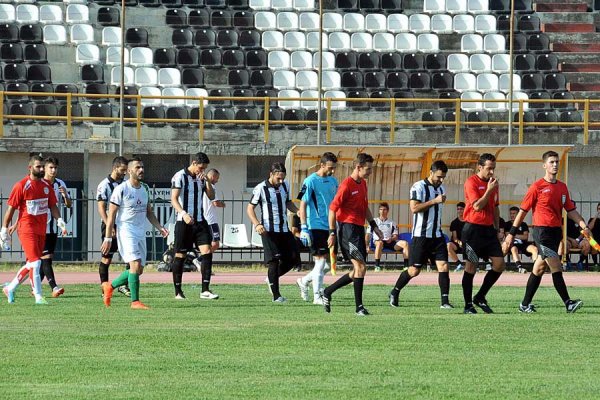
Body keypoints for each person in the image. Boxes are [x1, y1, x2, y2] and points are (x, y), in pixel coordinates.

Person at [503, 150, 586, 313]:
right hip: (542, 233)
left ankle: (524, 305)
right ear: (544, 166)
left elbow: (571, 210)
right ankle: (568, 303)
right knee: (556, 266)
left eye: (556, 162)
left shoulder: (562, 187)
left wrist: (584, 226)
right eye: (551, 162)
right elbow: (522, 211)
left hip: (555, 232)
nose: (555, 165)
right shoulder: (537, 187)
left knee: (539, 268)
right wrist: (511, 233)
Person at [101, 157, 168, 309]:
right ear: (129, 171)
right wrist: (108, 238)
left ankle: (110, 286)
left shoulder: (144, 188)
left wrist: (160, 227)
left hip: (140, 232)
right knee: (135, 264)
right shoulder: (121, 189)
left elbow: (149, 212)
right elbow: (111, 216)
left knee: (139, 270)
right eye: (138, 167)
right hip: (126, 231)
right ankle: (135, 302)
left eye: (142, 167)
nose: (141, 170)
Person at [323, 153, 383, 316]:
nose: (370, 172)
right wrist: (332, 233)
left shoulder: (363, 184)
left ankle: (328, 291)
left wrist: (374, 226)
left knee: (359, 269)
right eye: (368, 169)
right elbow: (332, 210)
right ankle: (359, 307)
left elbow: (365, 207)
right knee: (360, 267)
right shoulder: (346, 185)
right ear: (358, 167)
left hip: (358, 229)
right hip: (347, 230)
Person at [1, 155, 66, 304]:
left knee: (32, 263)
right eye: (38, 166)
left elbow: (52, 205)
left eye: (43, 166)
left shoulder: (46, 185)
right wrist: (4, 229)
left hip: (41, 229)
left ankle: (10, 288)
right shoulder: (21, 186)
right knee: (36, 263)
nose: (42, 169)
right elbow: (11, 209)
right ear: (30, 168)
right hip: (26, 229)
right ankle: (38, 296)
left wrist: (59, 220)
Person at [389, 160, 454, 309]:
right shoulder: (418, 186)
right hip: (421, 236)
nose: (441, 180)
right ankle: (394, 291)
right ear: (431, 172)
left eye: (443, 177)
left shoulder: (441, 188)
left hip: (437, 236)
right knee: (414, 271)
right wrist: (434, 201)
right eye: (439, 177)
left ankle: (445, 302)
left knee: (444, 266)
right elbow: (414, 208)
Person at [247, 162, 300, 303]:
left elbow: (288, 203)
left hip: (284, 229)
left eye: (283, 178)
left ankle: (271, 278)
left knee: (293, 258)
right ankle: (276, 296)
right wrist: (257, 224)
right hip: (268, 231)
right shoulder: (260, 188)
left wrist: (297, 211)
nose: (281, 181)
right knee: (274, 261)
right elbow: (250, 208)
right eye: (278, 178)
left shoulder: (285, 185)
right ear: (271, 174)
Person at [461, 153, 506, 314]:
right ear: (480, 167)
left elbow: (495, 207)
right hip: (473, 230)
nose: (492, 172)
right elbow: (477, 206)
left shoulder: (493, 184)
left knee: (499, 264)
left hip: (488, 230)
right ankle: (468, 305)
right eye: (489, 168)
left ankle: (480, 296)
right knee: (471, 267)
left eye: (493, 168)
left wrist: (497, 229)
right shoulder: (471, 182)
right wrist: (488, 191)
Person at [170, 152, 218, 300]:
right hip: (183, 222)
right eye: (201, 168)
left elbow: (211, 196)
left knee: (207, 251)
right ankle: (178, 291)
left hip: (200, 221)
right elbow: (173, 199)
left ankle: (205, 290)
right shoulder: (180, 176)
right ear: (194, 163)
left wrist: (207, 181)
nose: (202, 171)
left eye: (204, 168)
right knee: (180, 255)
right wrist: (183, 213)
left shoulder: (202, 178)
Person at [295, 152, 338, 305]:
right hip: (315, 225)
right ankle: (317, 296)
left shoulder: (334, 181)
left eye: (334, 168)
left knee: (327, 265)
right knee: (320, 262)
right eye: (330, 167)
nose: (332, 170)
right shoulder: (310, 181)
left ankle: (304, 281)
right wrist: (304, 227)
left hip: (331, 226)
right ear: (322, 165)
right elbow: (302, 203)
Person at [97, 156, 130, 297]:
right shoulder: (104, 185)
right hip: (109, 225)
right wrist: (109, 227)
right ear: (115, 168)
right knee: (107, 258)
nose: (124, 173)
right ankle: (104, 288)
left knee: (131, 257)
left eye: (126, 170)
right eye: (122, 170)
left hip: (124, 225)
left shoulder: (126, 184)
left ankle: (123, 285)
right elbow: (101, 208)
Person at [39, 156, 72, 297]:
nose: (53, 170)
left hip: (53, 226)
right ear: (45, 168)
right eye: (50, 167)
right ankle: (54, 287)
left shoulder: (60, 183)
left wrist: (65, 196)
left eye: (55, 168)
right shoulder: (39, 183)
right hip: (40, 226)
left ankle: (34, 285)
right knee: (45, 257)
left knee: (47, 258)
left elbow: (69, 205)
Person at [367, 202, 409, 271]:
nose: (382, 211)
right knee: (380, 243)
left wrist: (391, 239)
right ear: (378, 211)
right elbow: (368, 234)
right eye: (381, 209)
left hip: (389, 241)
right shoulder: (374, 221)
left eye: (384, 210)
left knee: (405, 243)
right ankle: (377, 266)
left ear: (387, 211)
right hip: (378, 241)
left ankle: (406, 266)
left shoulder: (392, 222)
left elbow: (395, 236)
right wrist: (367, 246)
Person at [504, 206, 538, 273]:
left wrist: (513, 234)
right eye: (511, 213)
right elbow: (508, 236)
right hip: (513, 244)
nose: (512, 215)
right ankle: (520, 267)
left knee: (534, 249)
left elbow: (525, 237)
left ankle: (536, 267)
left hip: (523, 244)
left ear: (518, 214)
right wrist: (519, 236)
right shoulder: (507, 224)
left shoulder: (523, 224)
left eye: (514, 213)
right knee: (514, 249)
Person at [202, 169, 226, 253]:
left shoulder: (201, 186)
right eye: (217, 178)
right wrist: (223, 204)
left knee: (206, 244)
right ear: (212, 176)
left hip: (203, 219)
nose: (217, 180)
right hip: (211, 220)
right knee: (215, 244)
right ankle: (200, 259)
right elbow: (216, 203)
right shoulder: (211, 187)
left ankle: (203, 259)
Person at [447, 202, 465, 272]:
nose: (459, 210)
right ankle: (459, 264)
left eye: (461, 209)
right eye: (458, 209)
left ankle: (476, 266)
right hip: (458, 244)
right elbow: (455, 238)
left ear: (465, 209)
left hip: (468, 243)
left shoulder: (469, 222)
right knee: (448, 245)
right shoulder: (454, 222)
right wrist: (460, 242)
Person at [587, 203, 600, 268]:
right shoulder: (592, 219)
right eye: (599, 209)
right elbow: (589, 228)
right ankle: (595, 264)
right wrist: (596, 216)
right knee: (594, 244)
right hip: (594, 240)